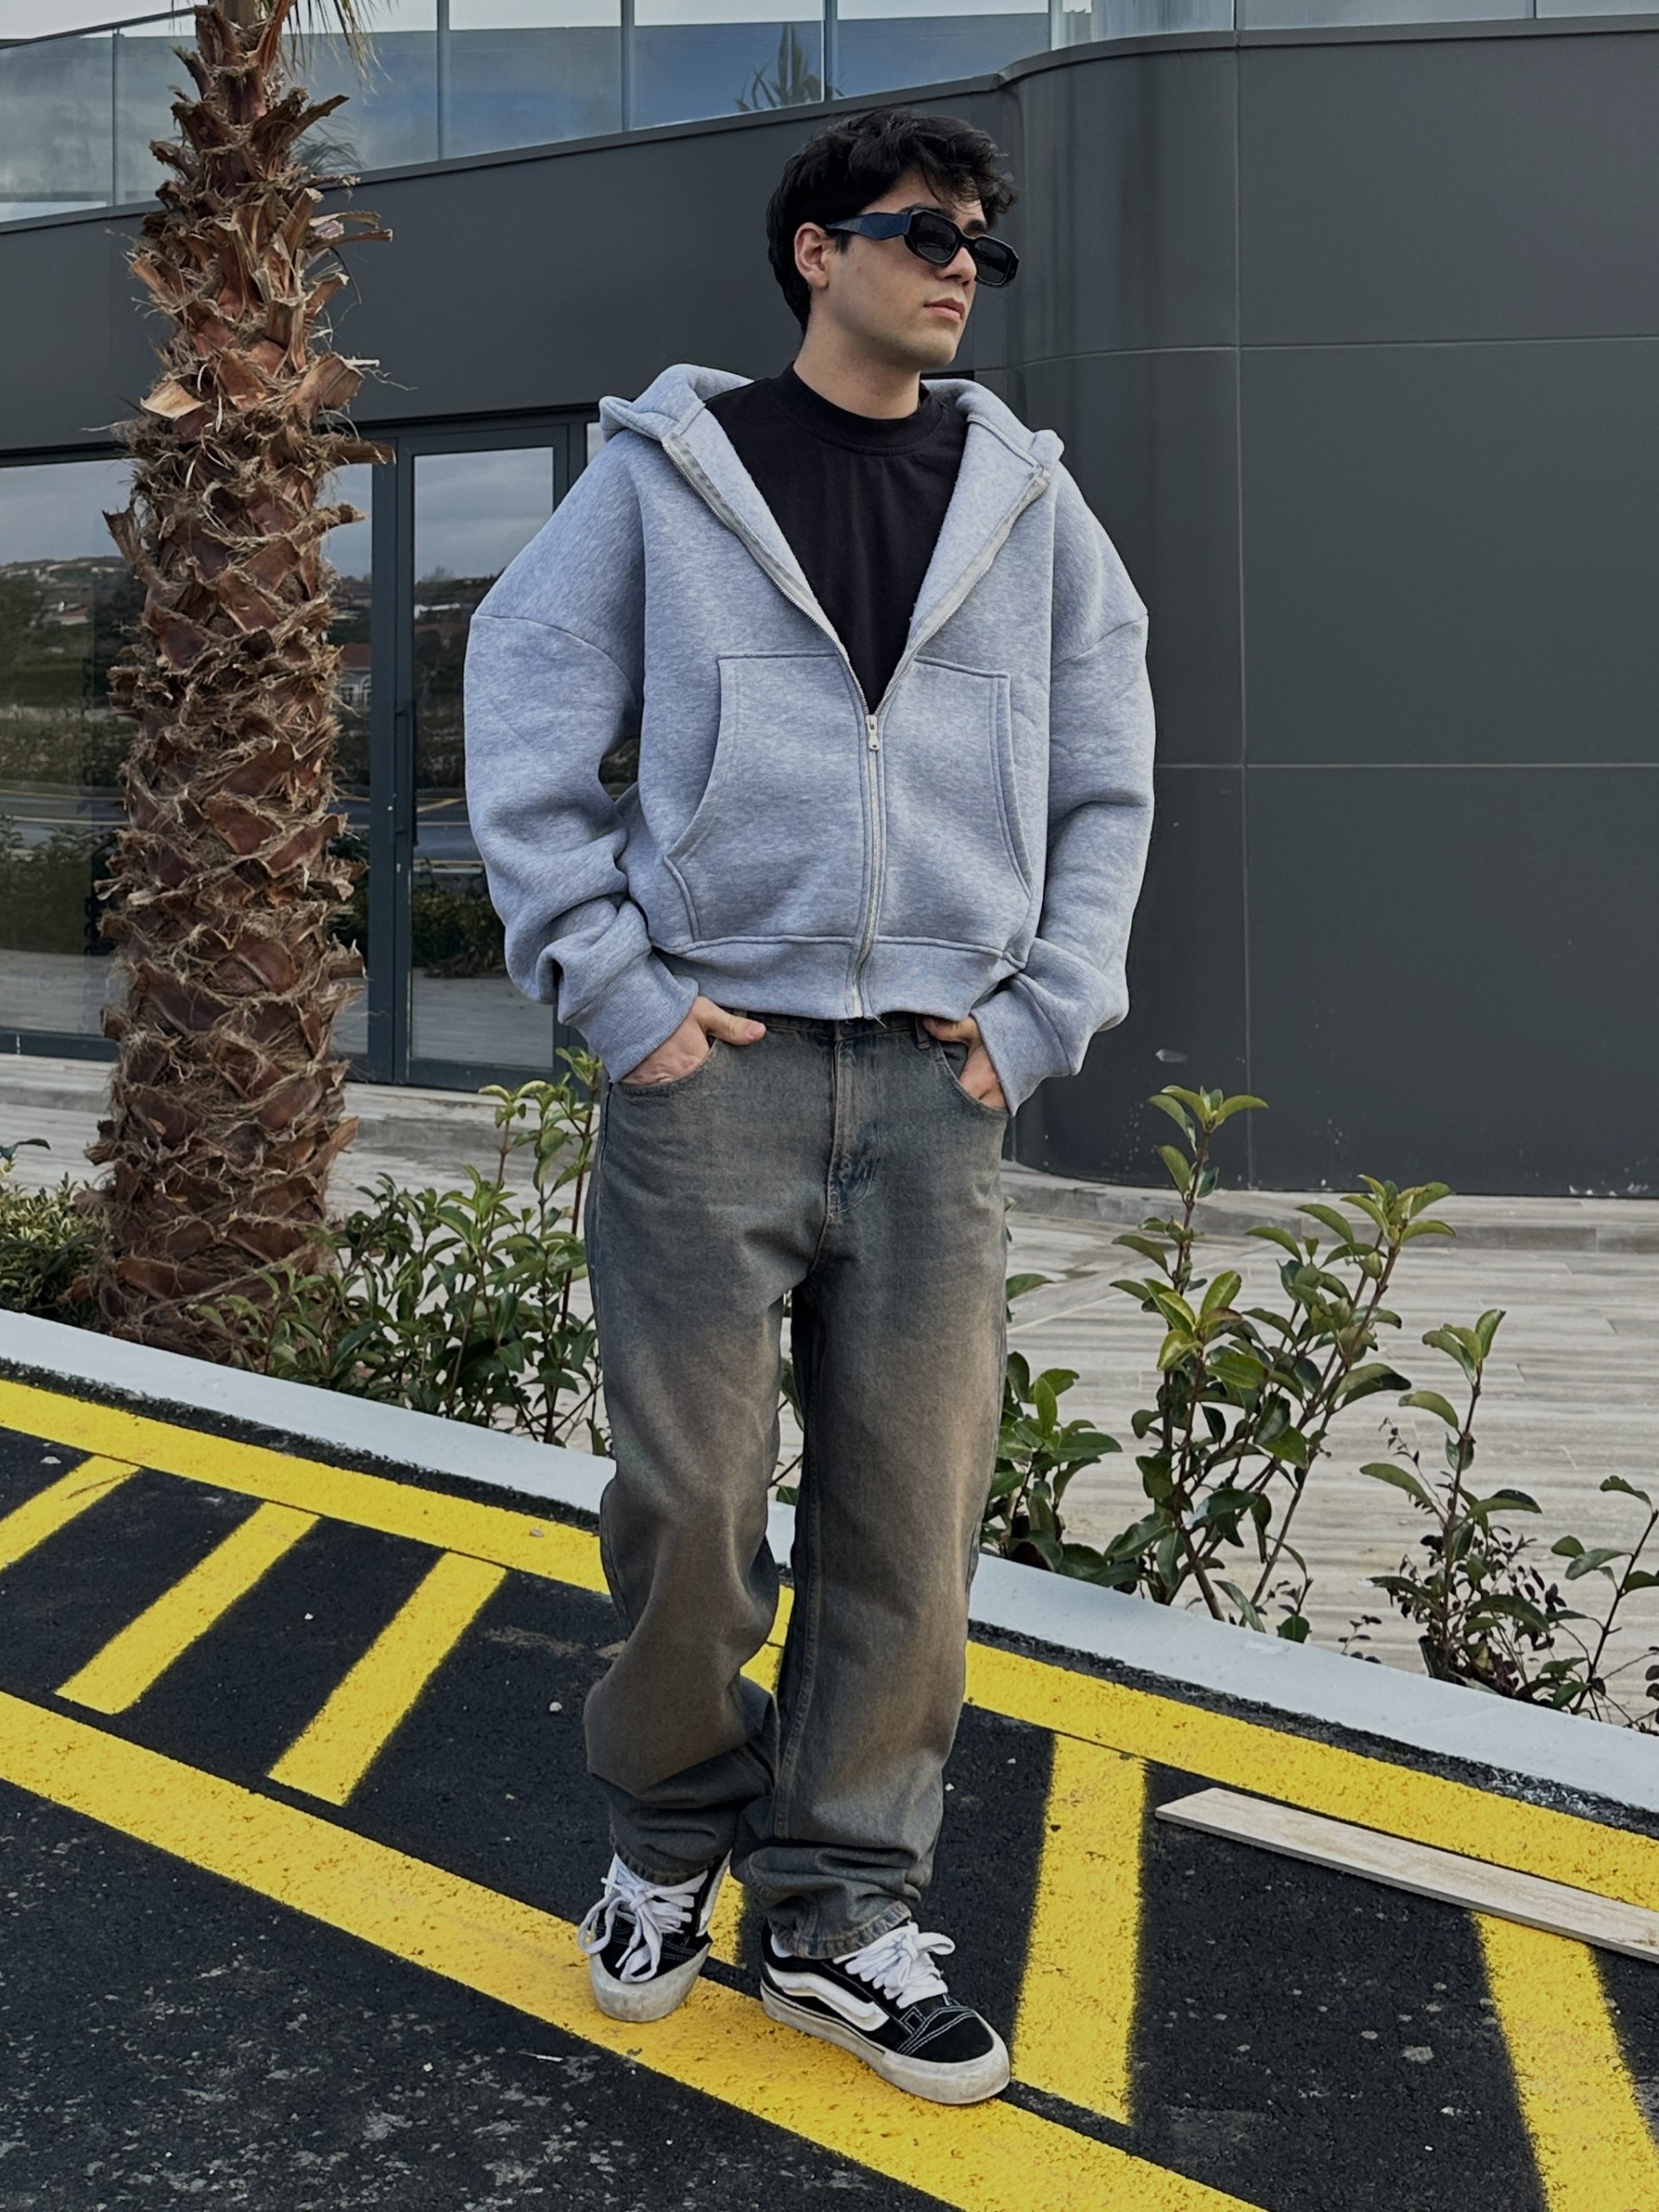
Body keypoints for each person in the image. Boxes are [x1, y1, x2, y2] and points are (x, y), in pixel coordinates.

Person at [463, 103, 1154, 2107]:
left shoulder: (1028, 503)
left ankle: (842, 1904)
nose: (960, 268)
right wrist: (623, 998)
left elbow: (1108, 771)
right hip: (718, 1077)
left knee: (909, 1520)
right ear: (815, 250)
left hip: (938, 1086)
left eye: (980, 244)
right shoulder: (669, 475)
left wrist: (1040, 1014)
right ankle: (664, 1840)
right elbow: (524, 710)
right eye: (925, 231)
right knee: (687, 1507)